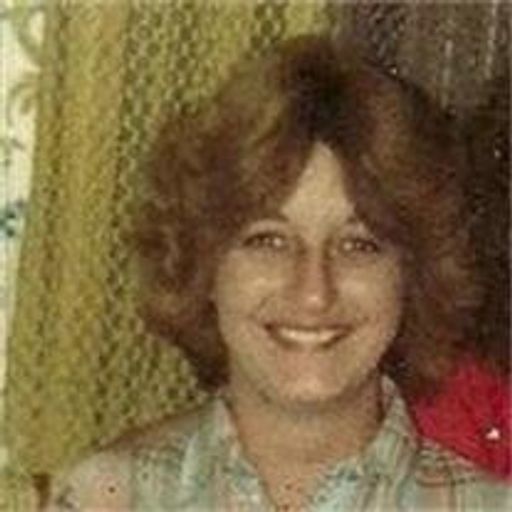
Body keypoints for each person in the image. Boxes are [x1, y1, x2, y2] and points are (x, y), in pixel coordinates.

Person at [42, 34, 510, 511]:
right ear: (203, 263)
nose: (313, 292)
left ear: (413, 276)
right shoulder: (105, 497)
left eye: (358, 244)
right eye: (268, 240)